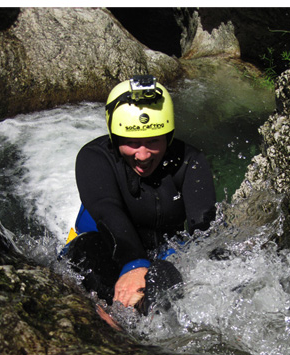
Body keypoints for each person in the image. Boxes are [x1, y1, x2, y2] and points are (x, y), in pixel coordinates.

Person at [62, 75, 216, 316]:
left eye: (154, 141)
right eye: (132, 143)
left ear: (169, 136)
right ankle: (107, 321)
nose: (143, 155)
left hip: (163, 257)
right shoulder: (95, 157)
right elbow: (106, 209)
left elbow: (205, 230)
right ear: (115, 138)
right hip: (102, 250)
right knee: (85, 250)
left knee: (166, 273)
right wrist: (134, 263)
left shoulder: (190, 162)